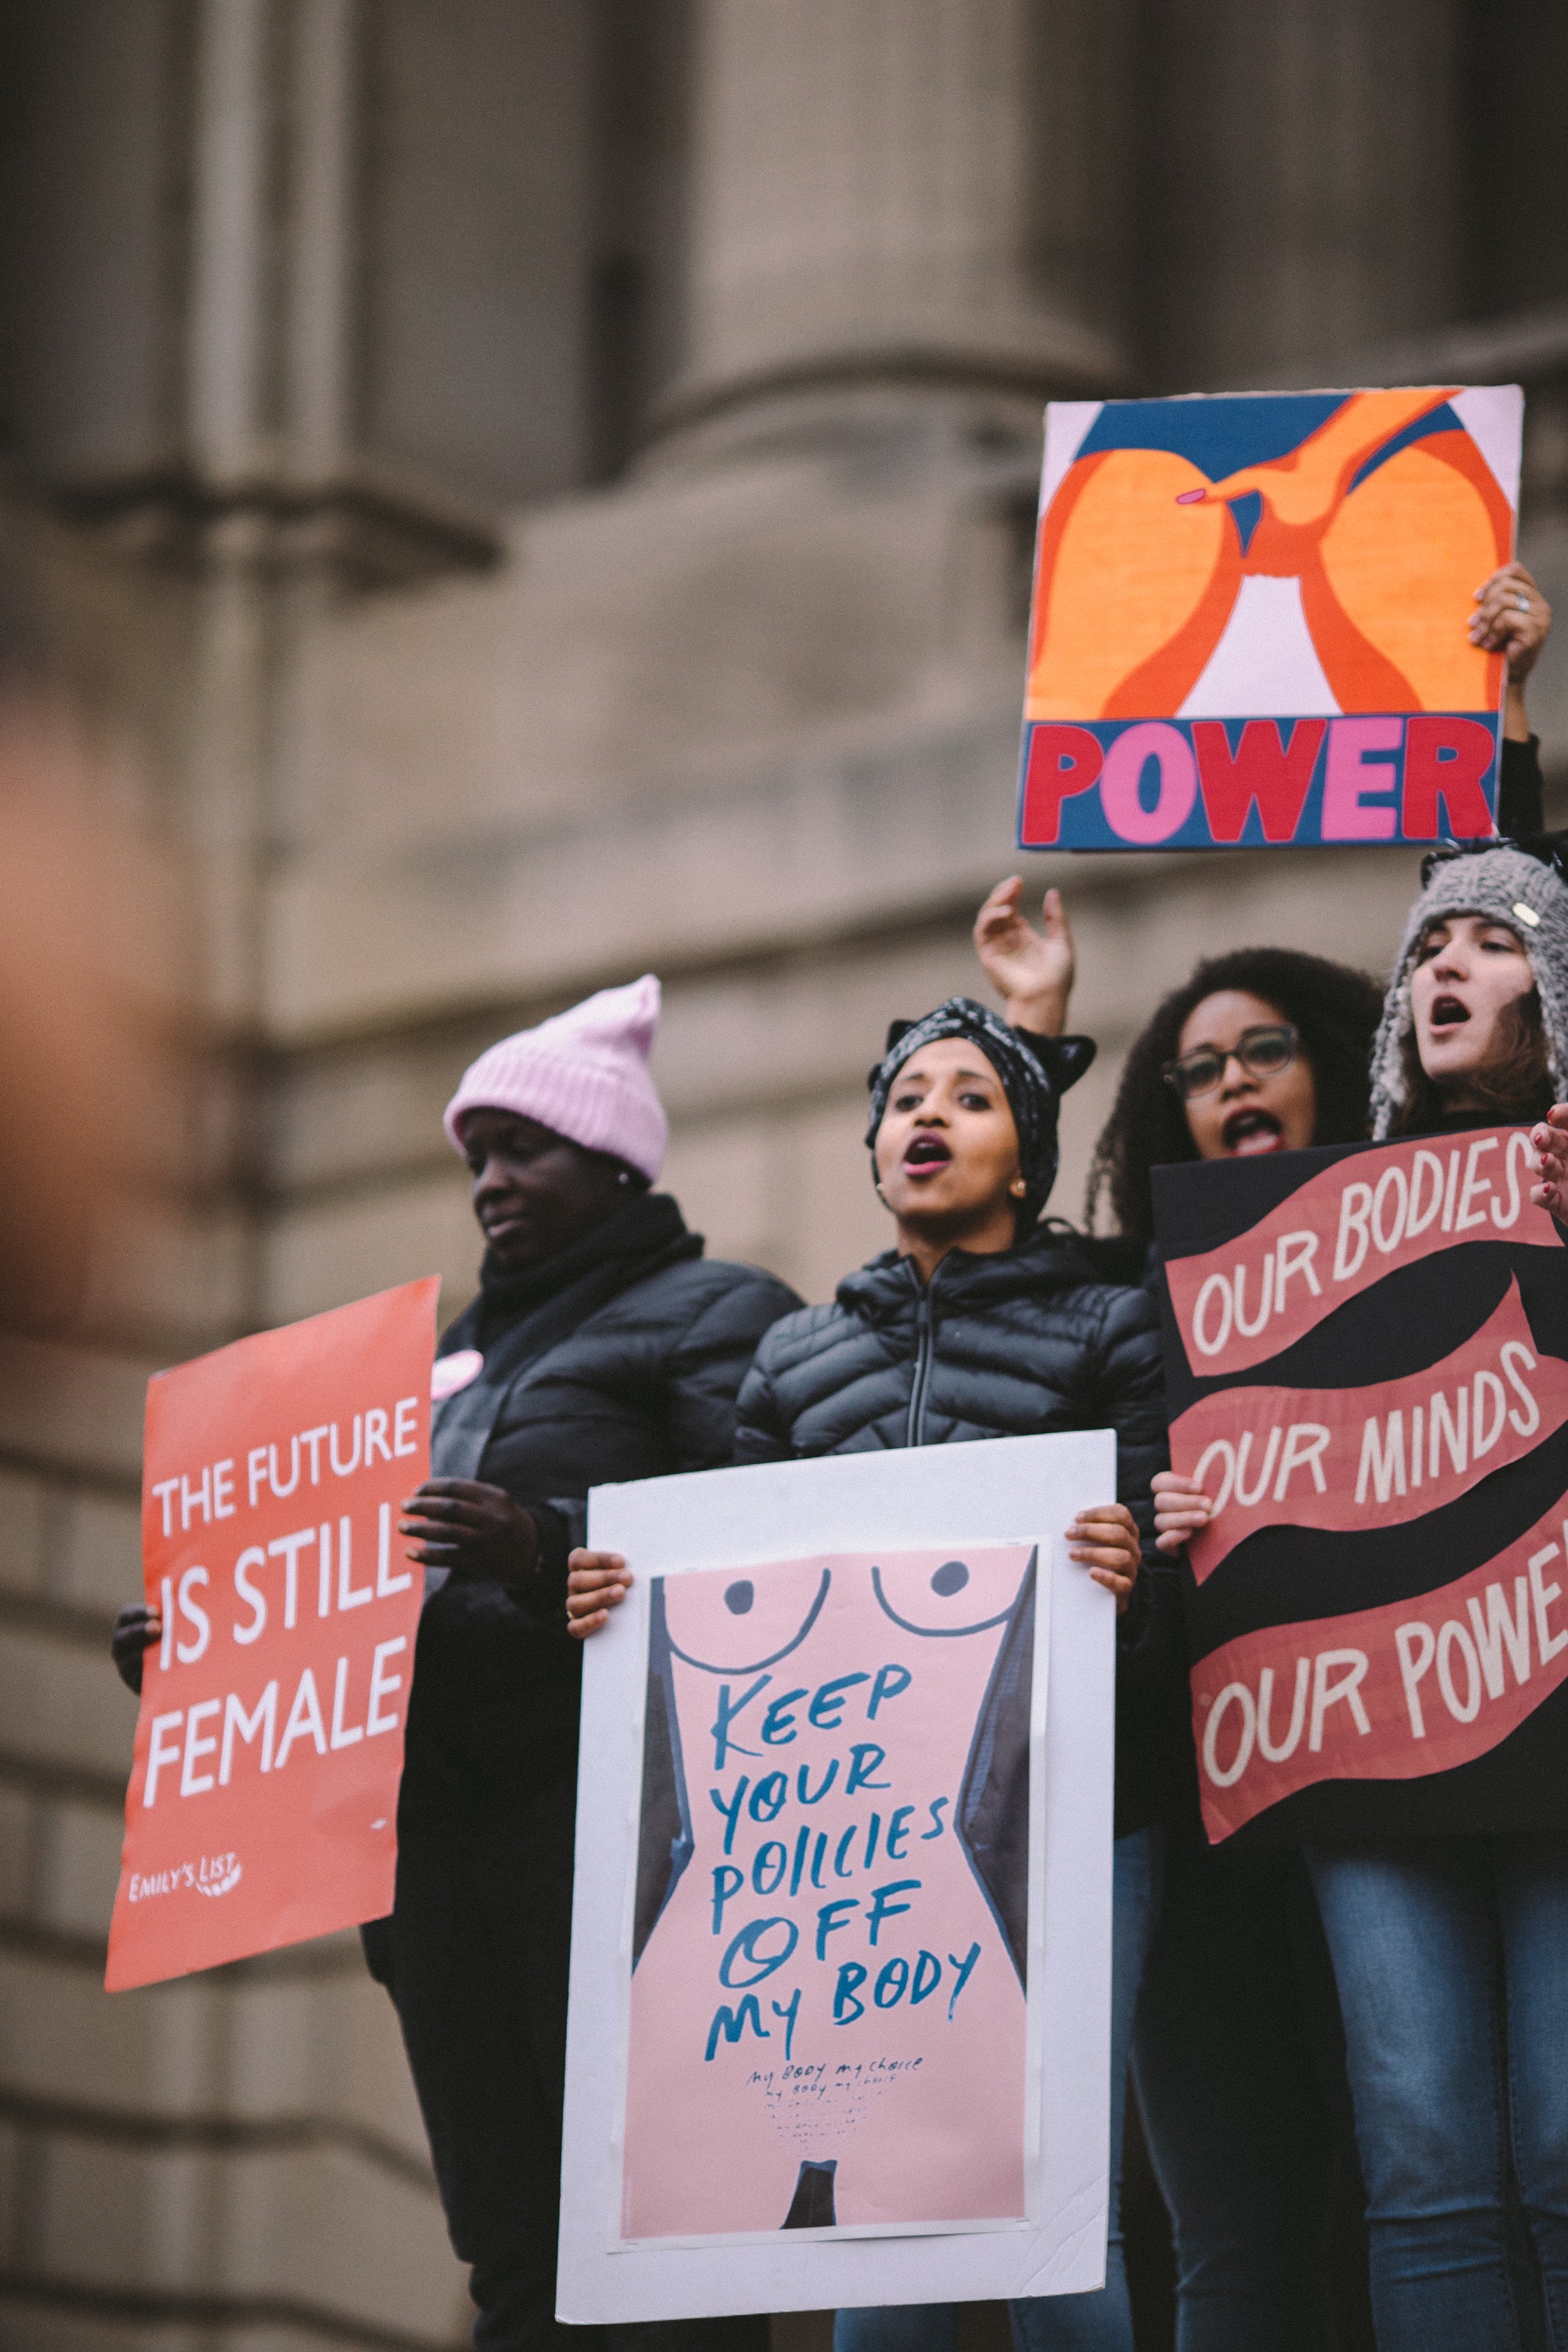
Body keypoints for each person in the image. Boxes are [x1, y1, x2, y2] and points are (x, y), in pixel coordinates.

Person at [114, 976, 799, 2352]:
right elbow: (349, 1604)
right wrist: (214, 1659)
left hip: (610, 1831)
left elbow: (771, 1541)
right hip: (437, 1849)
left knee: (659, 2241)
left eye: (521, 1147)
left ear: (614, 1156)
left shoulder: (716, 1312)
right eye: (475, 1155)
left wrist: (544, 1545)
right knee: (508, 2263)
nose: (489, 1179)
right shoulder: (435, 1370)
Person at [568, 995, 1179, 2352]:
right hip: (856, 1844)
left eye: (969, 1098)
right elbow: (729, 1598)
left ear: (1025, 1154)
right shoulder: (794, 1358)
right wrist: (625, 1598)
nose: (928, 1118)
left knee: (1059, 2209)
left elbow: (1179, 1582)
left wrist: (1130, 1573)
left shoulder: (1115, 1328)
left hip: (1075, 1813)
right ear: (873, 1145)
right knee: (880, 2208)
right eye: (908, 1098)